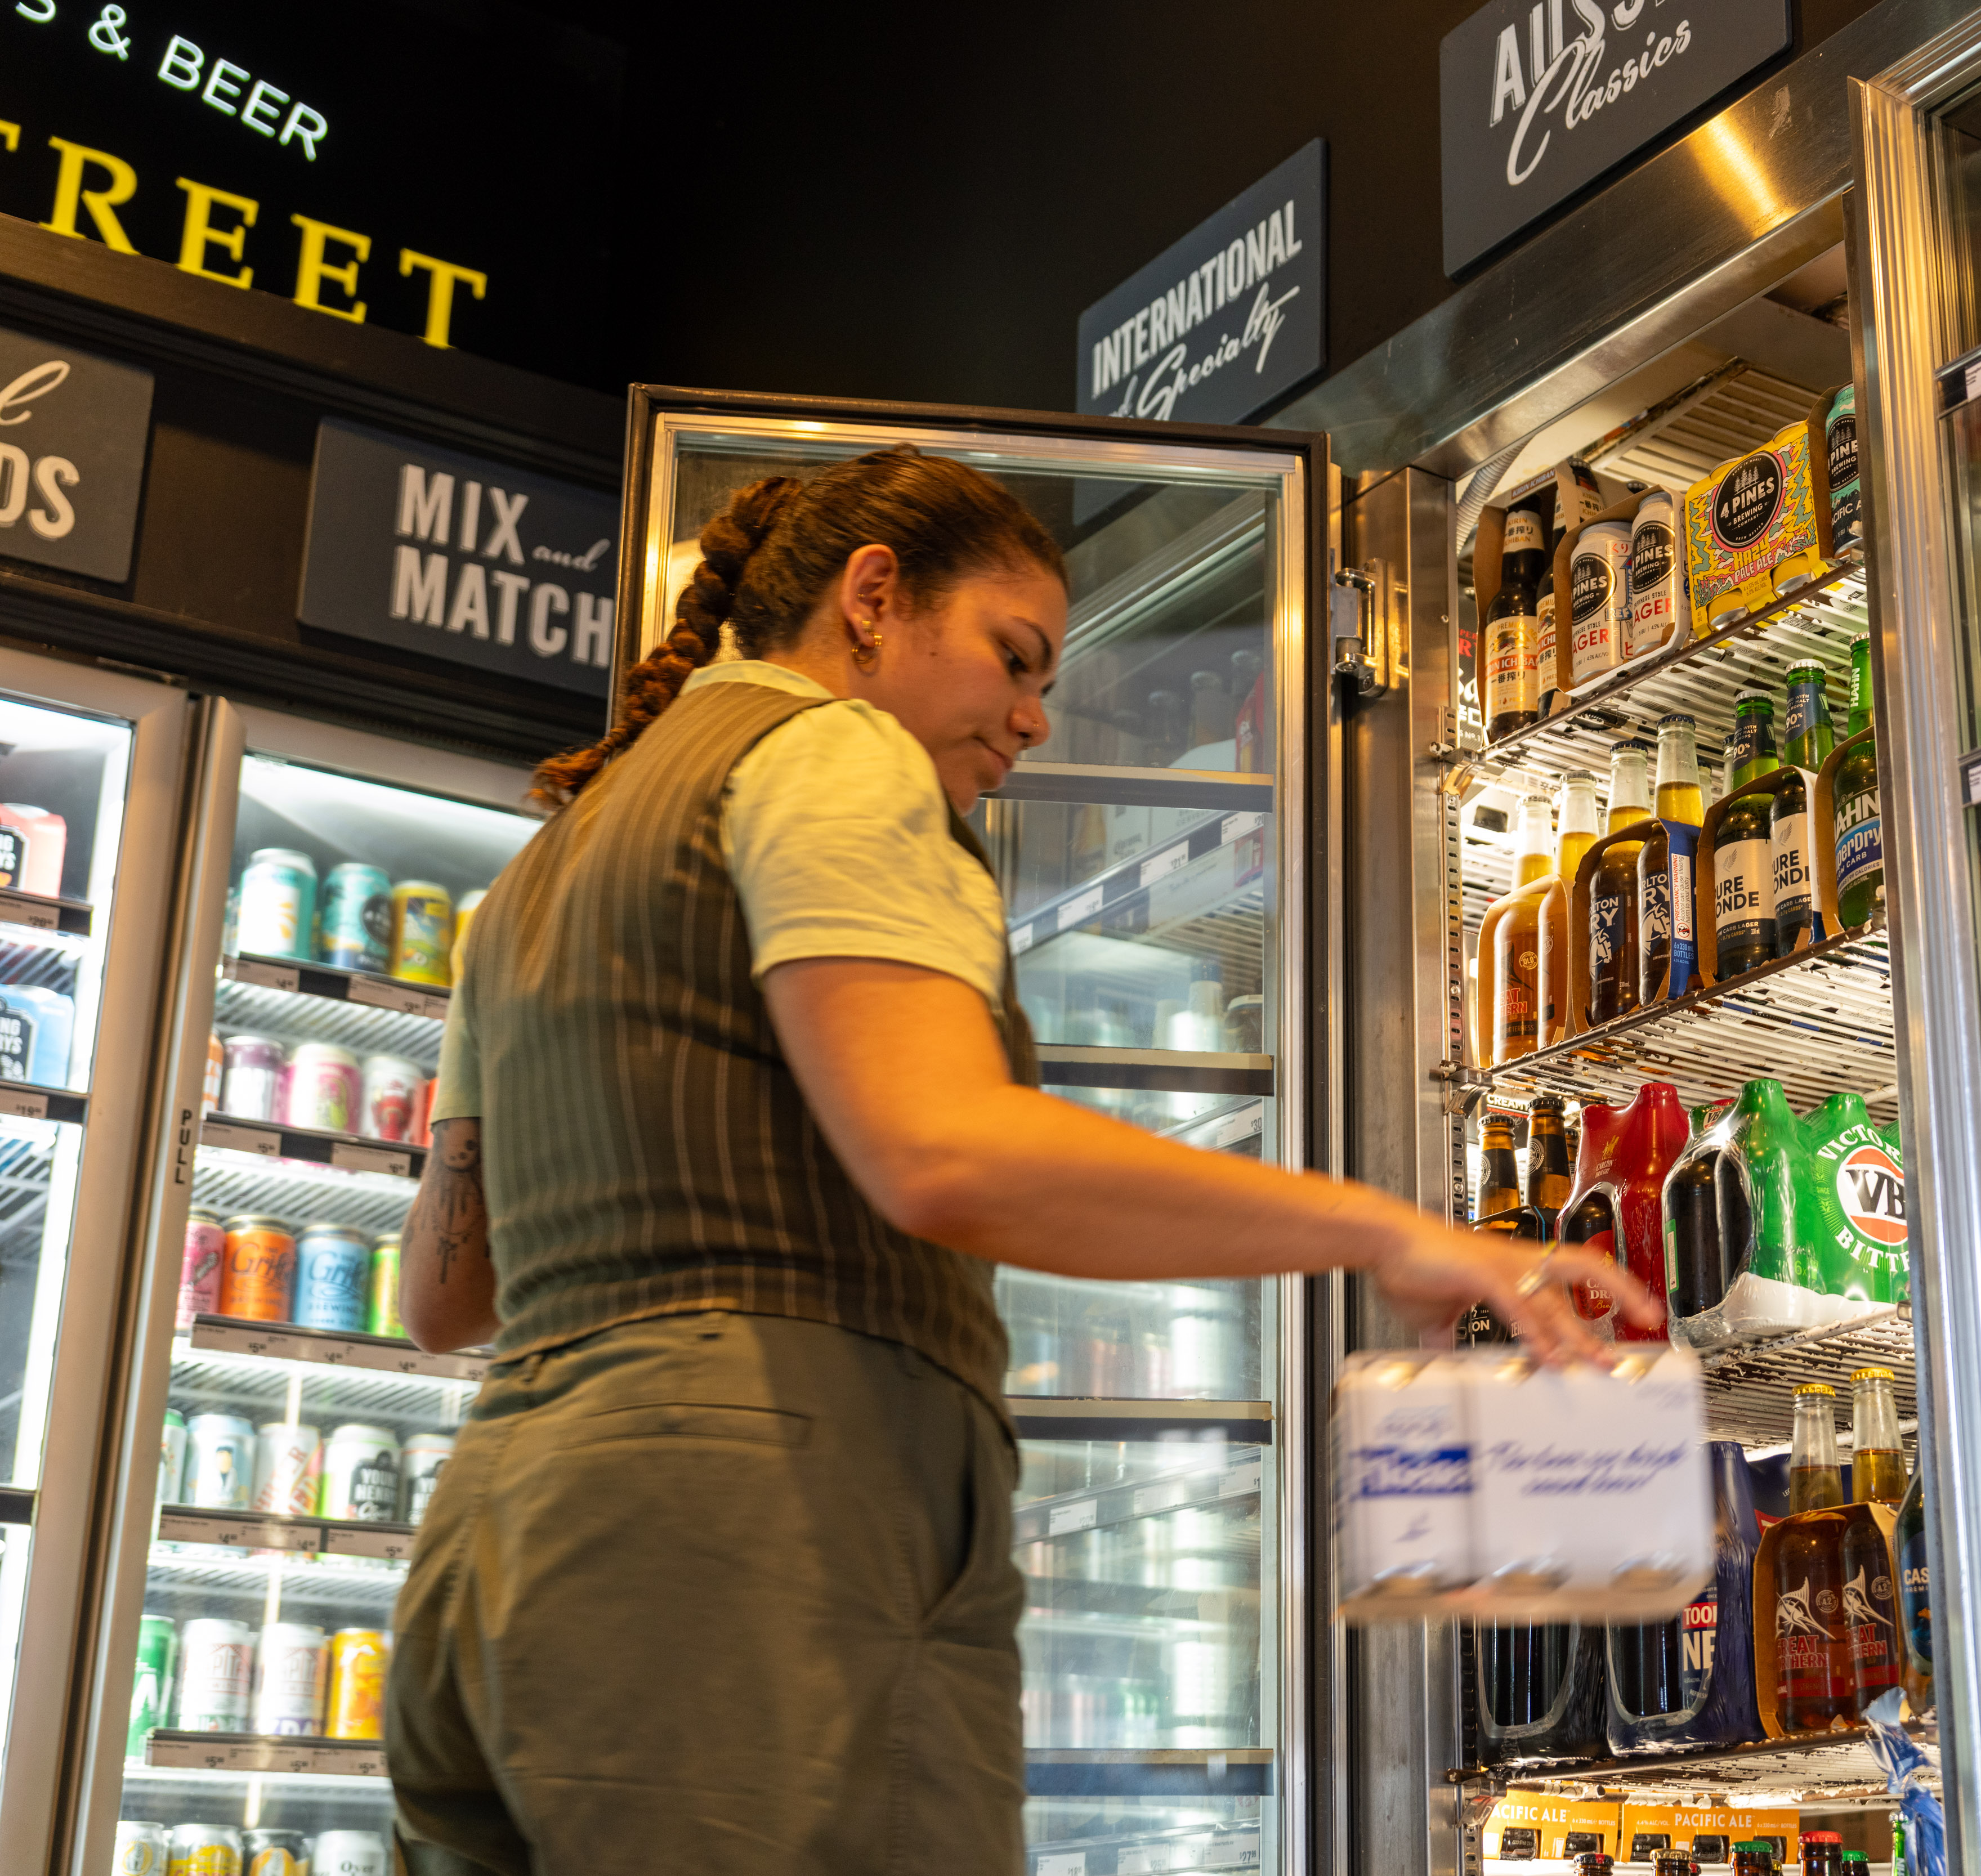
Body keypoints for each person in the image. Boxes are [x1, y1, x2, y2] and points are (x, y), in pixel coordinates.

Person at [382, 445, 1654, 1876]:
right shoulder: (831, 750)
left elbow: (447, 1298)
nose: (1035, 715)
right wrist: (1383, 1228)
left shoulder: (541, 869)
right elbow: (941, 1148)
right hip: (737, 1549)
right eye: (1014, 655)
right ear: (874, 598)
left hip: (493, 1546)